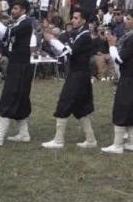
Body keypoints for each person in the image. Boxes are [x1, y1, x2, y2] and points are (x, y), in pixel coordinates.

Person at [41, 9, 97, 149]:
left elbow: (68, 51)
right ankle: (91, 140)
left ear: (84, 21)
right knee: (81, 107)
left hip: (78, 75)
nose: (73, 20)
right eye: (73, 17)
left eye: (76, 18)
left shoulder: (84, 36)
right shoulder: (78, 33)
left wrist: (52, 39)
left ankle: (58, 141)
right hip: (79, 73)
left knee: (64, 102)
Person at [0, 0, 34, 146]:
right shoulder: (18, 23)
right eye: (13, 8)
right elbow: (4, 38)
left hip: (20, 66)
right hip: (17, 64)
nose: (13, 11)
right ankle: (24, 134)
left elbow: (8, 33)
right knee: (21, 98)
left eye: (16, 8)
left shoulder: (26, 23)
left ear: (24, 10)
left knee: (9, 97)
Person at [102, 10, 133, 154]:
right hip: (132, 77)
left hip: (129, 78)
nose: (125, 20)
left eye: (129, 18)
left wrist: (112, 45)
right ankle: (132, 142)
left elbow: (119, 59)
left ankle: (117, 144)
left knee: (122, 108)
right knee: (130, 109)